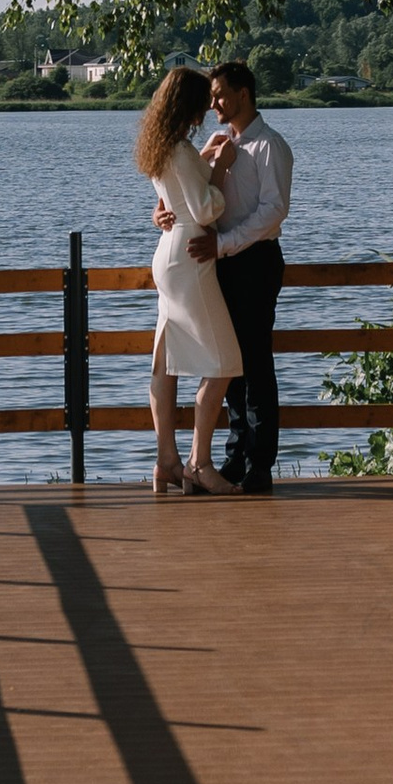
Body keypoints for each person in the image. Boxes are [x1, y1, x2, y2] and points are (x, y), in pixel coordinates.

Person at [135, 63, 242, 493]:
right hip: (190, 258)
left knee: (165, 360)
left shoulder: (165, 148)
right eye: (203, 101)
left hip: (169, 257)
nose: (207, 108)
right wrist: (222, 168)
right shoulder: (178, 151)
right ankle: (200, 464)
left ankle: (167, 461)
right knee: (224, 362)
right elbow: (204, 210)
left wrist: (205, 158)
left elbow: (175, 194)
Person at [198, 60, 292, 491]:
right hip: (222, 262)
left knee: (255, 362)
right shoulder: (220, 143)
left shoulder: (269, 146)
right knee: (227, 363)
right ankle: (235, 454)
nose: (213, 102)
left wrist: (225, 243)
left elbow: (274, 212)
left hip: (254, 262)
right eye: (213, 95)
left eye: (219, 94)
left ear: (243, 94)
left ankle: (260, 463)